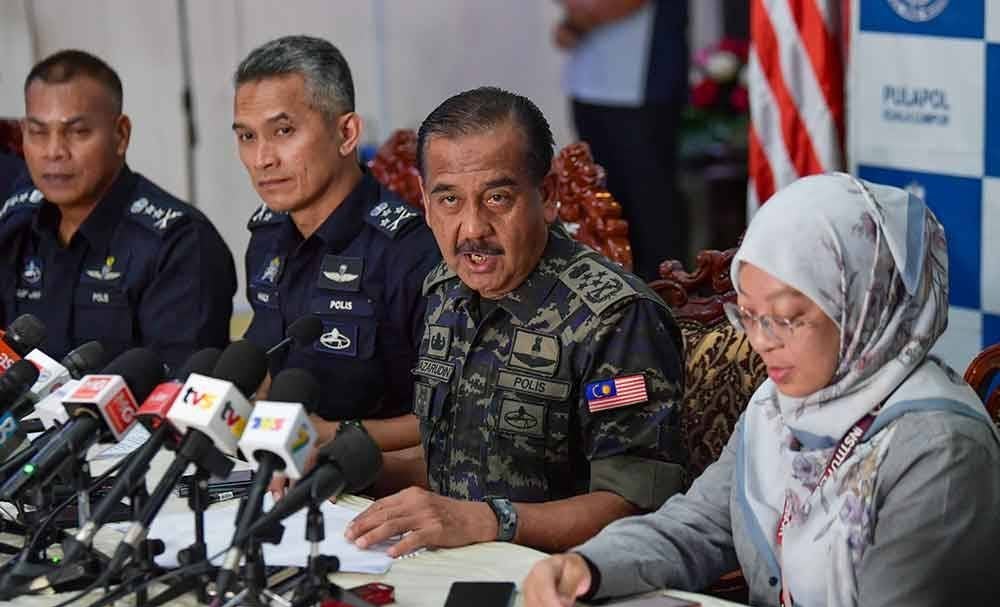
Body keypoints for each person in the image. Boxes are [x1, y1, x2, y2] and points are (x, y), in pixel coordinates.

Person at [519, 173, 1000, 607]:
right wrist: (587, 567)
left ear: (864, 303)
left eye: (787, 318)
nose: (762, 340)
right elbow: (698, 525)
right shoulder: (778, 405)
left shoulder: (939, 447)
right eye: (747, 315)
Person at [345, 87, 686, 558]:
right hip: (454, 563)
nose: (472, 229)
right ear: (425, 202)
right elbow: (460, 460)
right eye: (449, 201)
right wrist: (344, 467)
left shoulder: (615, 318)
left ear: (546, 197)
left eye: (497, 198)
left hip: (566, 583)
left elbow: (637, 506)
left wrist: (491, 521)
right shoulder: (444, 292)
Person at [233, 35, 441, 456]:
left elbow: (449, 416)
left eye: (283, 131)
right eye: (247, 137)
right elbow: (271, 368)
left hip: (380, 490)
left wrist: (334, 435)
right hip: (279, 473)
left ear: (346, 133)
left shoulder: (411, 253)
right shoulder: (267, 238)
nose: (262, 159)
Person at [0, 50, 236, 371]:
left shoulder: (179, 244)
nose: (54, 152)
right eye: (38, 132)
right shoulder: (14, 227)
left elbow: (180, 397)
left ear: (121, 135)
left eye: (78, 132)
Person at [554, 0, 689, 280]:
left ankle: (668, 299)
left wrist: (580, 21)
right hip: (589, 78)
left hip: (643, 83)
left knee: (650, 203)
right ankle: (621, 293)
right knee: (602, 198)